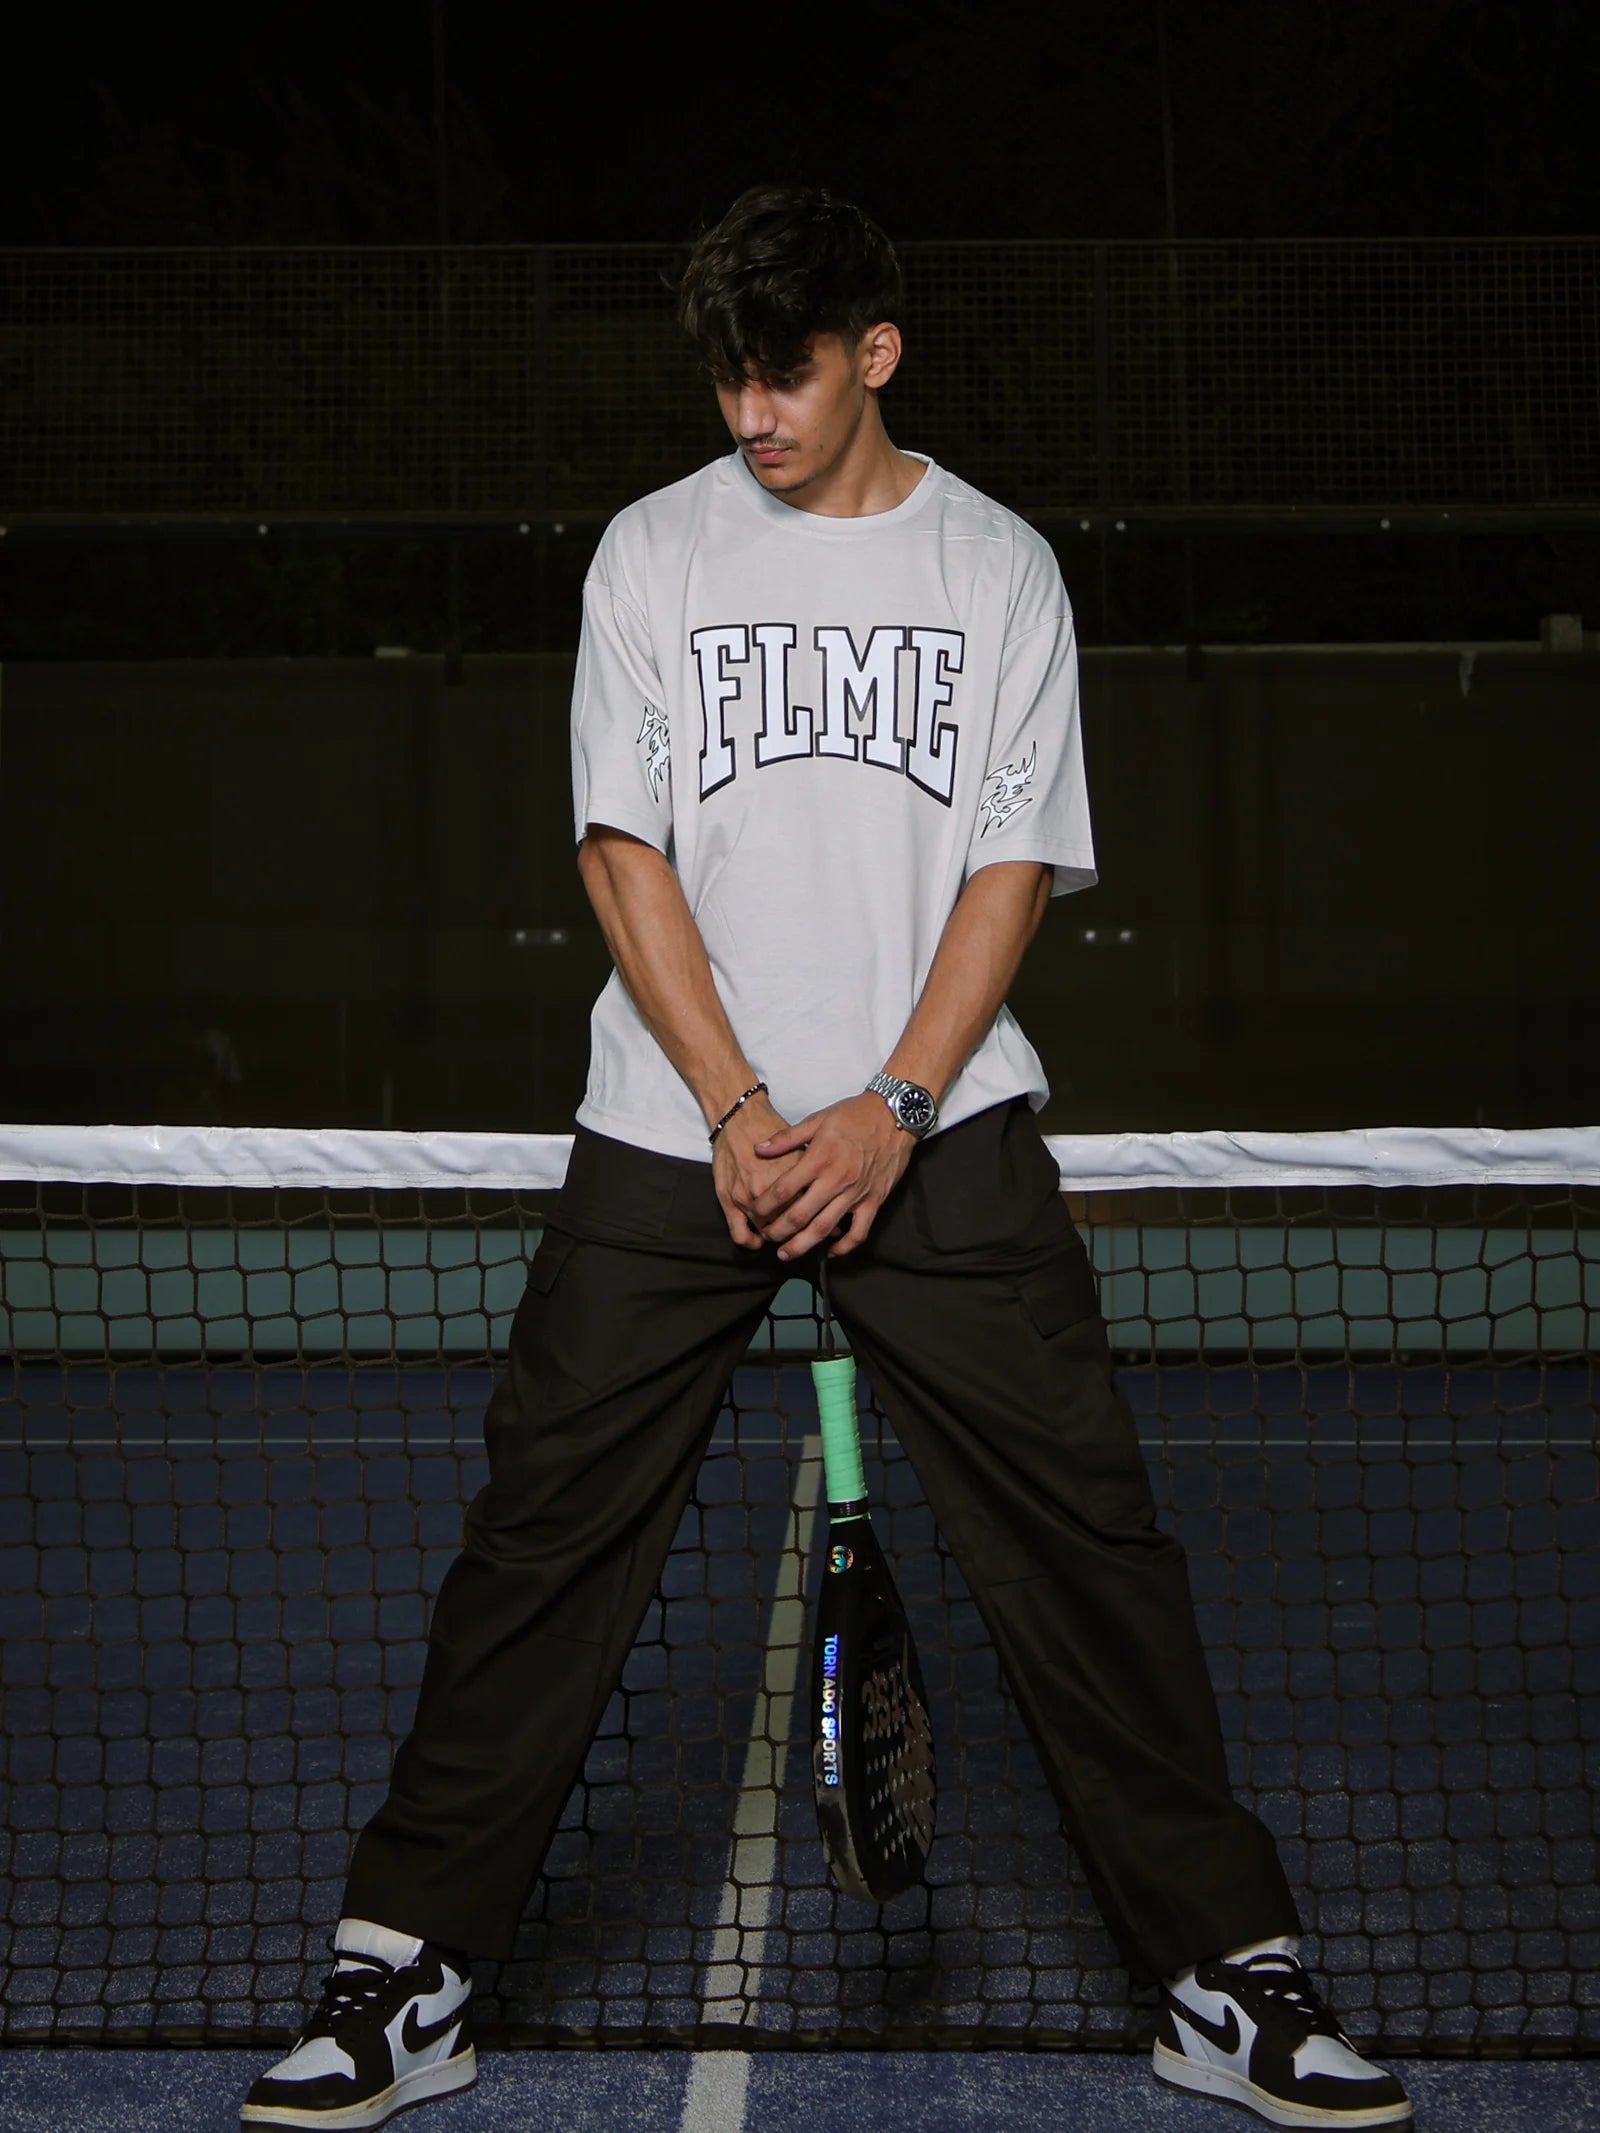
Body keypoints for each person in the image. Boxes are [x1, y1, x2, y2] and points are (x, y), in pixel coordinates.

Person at [241, 186, 1412, 2133]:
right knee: (540, 1536)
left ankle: (1225, 1967)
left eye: (781, 366)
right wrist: (732, 1106)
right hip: (670, 1124)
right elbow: (621, 851)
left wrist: (891, 1106)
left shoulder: (996, 567)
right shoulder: (651, 555)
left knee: (1088, 1536)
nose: (749, 409)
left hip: (932, 1127)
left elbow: (1005, 863)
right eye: (721, 369)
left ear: (874, 349)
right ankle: (402, 1967)